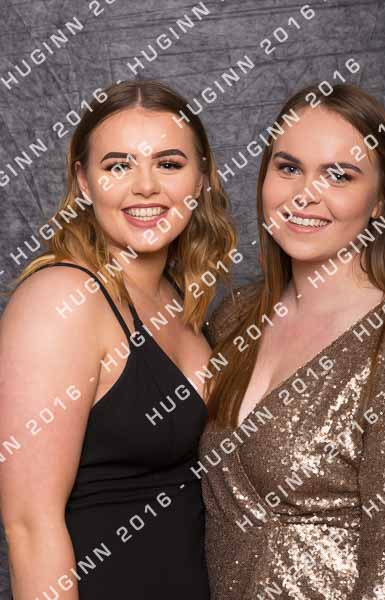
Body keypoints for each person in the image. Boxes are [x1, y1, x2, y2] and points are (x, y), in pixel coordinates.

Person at [200, 83, 385, 599]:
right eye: (289, 168)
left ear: (381, 200)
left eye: (339, 175)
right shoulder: (235, 317)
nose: (304, 194)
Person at [0, 79, 237, 598]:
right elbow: (29, 526)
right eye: (118, 166)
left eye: (168, 164)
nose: (145, 187)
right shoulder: (61, 300)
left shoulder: (182, 297)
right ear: (84, 183)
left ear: (201, 178)